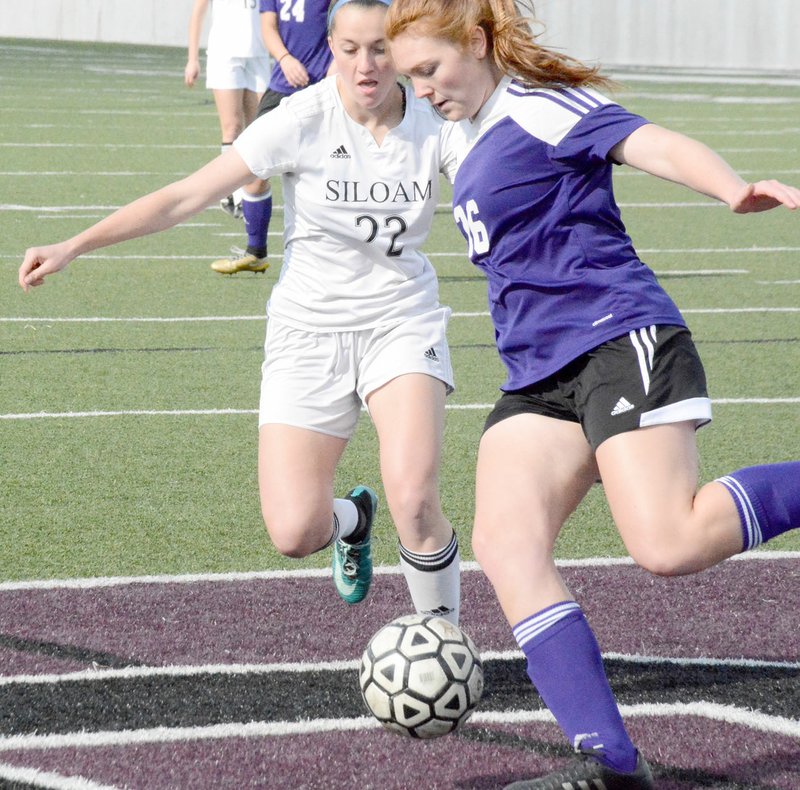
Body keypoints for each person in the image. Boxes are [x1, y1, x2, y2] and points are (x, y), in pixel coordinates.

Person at [385, 1, 800, 787]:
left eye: (430, 70)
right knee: (506, 546)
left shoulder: (539, 105)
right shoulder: (459, 138)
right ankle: (609, 764)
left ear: (475, 43)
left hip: (617, 338)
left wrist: (730, 188)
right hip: (538, 376)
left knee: (669, 543)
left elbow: (649, 141)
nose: (424, 89)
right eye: (413, 77)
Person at [19, 0, 461, 625]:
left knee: (415, 499)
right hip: (307, 331)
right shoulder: (301, 119)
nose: (366, 65)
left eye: (381, 48)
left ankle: (441, 644)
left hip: (401, 320)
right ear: (329, 47)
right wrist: (74, 245)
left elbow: (495, 184)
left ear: (402, 50)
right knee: (294, 531)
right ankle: (353, 518)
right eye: (351, 49)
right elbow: (187, 196)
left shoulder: (436, 123)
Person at [211, 0, 335, 275]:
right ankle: (256, 252)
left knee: (331, 174)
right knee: (254, 174)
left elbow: (347, 23)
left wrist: (335, 70)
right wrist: (285, 59)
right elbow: (268, 27)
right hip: (281, 86)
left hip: (324, 88)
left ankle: (347, 257)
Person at [184, 0, 270, 219]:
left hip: (259, 54)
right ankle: (232, 192)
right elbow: (197, 14)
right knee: (232, 126)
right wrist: (192, 59)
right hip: (225, 54)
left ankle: (251, 190)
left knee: (259, 128)